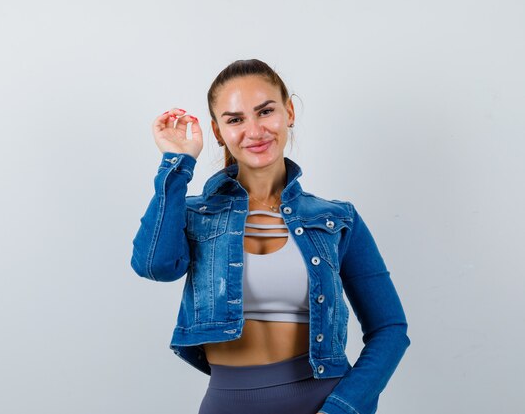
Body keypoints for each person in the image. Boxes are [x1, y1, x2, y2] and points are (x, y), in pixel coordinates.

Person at [130, 59, 410, 414]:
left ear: (289, 112)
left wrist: (343, 408)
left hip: (325, 400)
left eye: (265, 111)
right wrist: (177, 162)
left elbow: (389, 329)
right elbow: (155, 266)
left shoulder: (337, 220)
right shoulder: (194, 215)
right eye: (235, 119)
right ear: (218, 132)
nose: (255, 130)